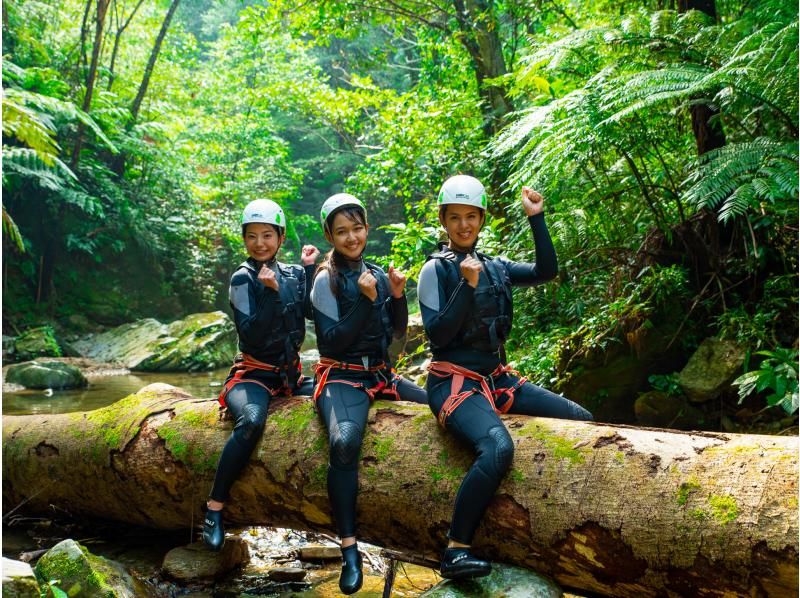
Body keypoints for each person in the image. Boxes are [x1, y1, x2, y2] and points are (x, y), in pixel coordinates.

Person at [417, 175, 593, 579]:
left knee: (581, 418)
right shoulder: (435, 270)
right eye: (455, 217)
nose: (464, 225)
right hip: (452, 383)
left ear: (482, 219)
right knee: (497, 447)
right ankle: (455, 550)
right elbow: (438, 334)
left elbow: (546, 271)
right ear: (444, 221)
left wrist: (537, 218)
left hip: (495, 379)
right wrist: (465, 284)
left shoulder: (495, 266)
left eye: (471, 217)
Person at [310, 193, 427, 594]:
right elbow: (331, 341)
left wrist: (395, 294)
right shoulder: (323, 279)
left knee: (441, 407)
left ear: (367, 228)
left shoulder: (375, 271)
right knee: (344, 443)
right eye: (342, 231)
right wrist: (363, 301)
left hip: (380, 374)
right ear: (329, 234)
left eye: (357, 228)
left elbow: (396, 334)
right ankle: (349, 549)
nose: (351, 237)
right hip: (341, 376)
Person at [202, 199, 320, 552]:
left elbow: (313, 313)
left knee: (340, 394)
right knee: (251, 423)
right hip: (252, 376)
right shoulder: (243, 277)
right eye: (251, 236)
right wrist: (269, 294)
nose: (259, 243)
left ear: (280, 237)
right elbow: (251, 333)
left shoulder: (294, 275)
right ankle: (214, 508)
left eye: (267, 235)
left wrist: (311, 269)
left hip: (290, 378)